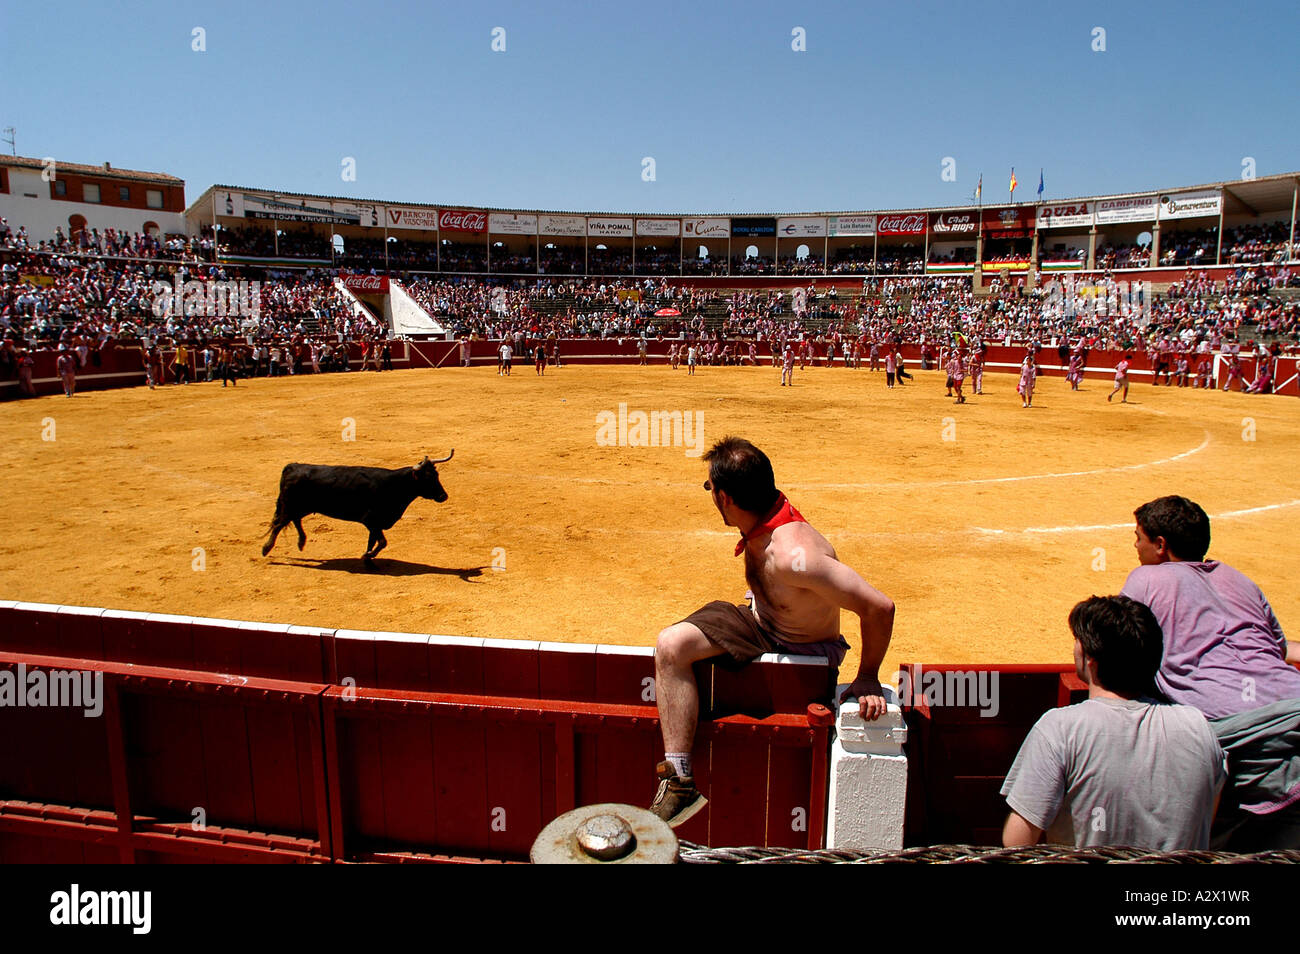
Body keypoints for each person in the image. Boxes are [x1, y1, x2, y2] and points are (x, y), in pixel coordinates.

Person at [650, 437, 895, 826]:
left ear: (726, 498)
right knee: (671, 645)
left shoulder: (794, 557)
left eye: (710, 488)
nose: (710, 495)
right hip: (761, 623)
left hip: (802, 648)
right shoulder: (763, 516)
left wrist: (867, 677)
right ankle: (679, 781)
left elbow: (879, 607)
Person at [1119, 496, 1300, 848]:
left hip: (1238, 731)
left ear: (1160, 545)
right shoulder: (1240, 580)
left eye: (1138, 536)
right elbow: (1278, 648)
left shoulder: (1147, 579)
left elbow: (1120, 647)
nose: (1135, 544)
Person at [1001, 595, 1226, 850]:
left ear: (1091, 661)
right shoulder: (1197, 725)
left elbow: (1016, 843)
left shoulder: (1059, 728)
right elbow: (1205, 817)